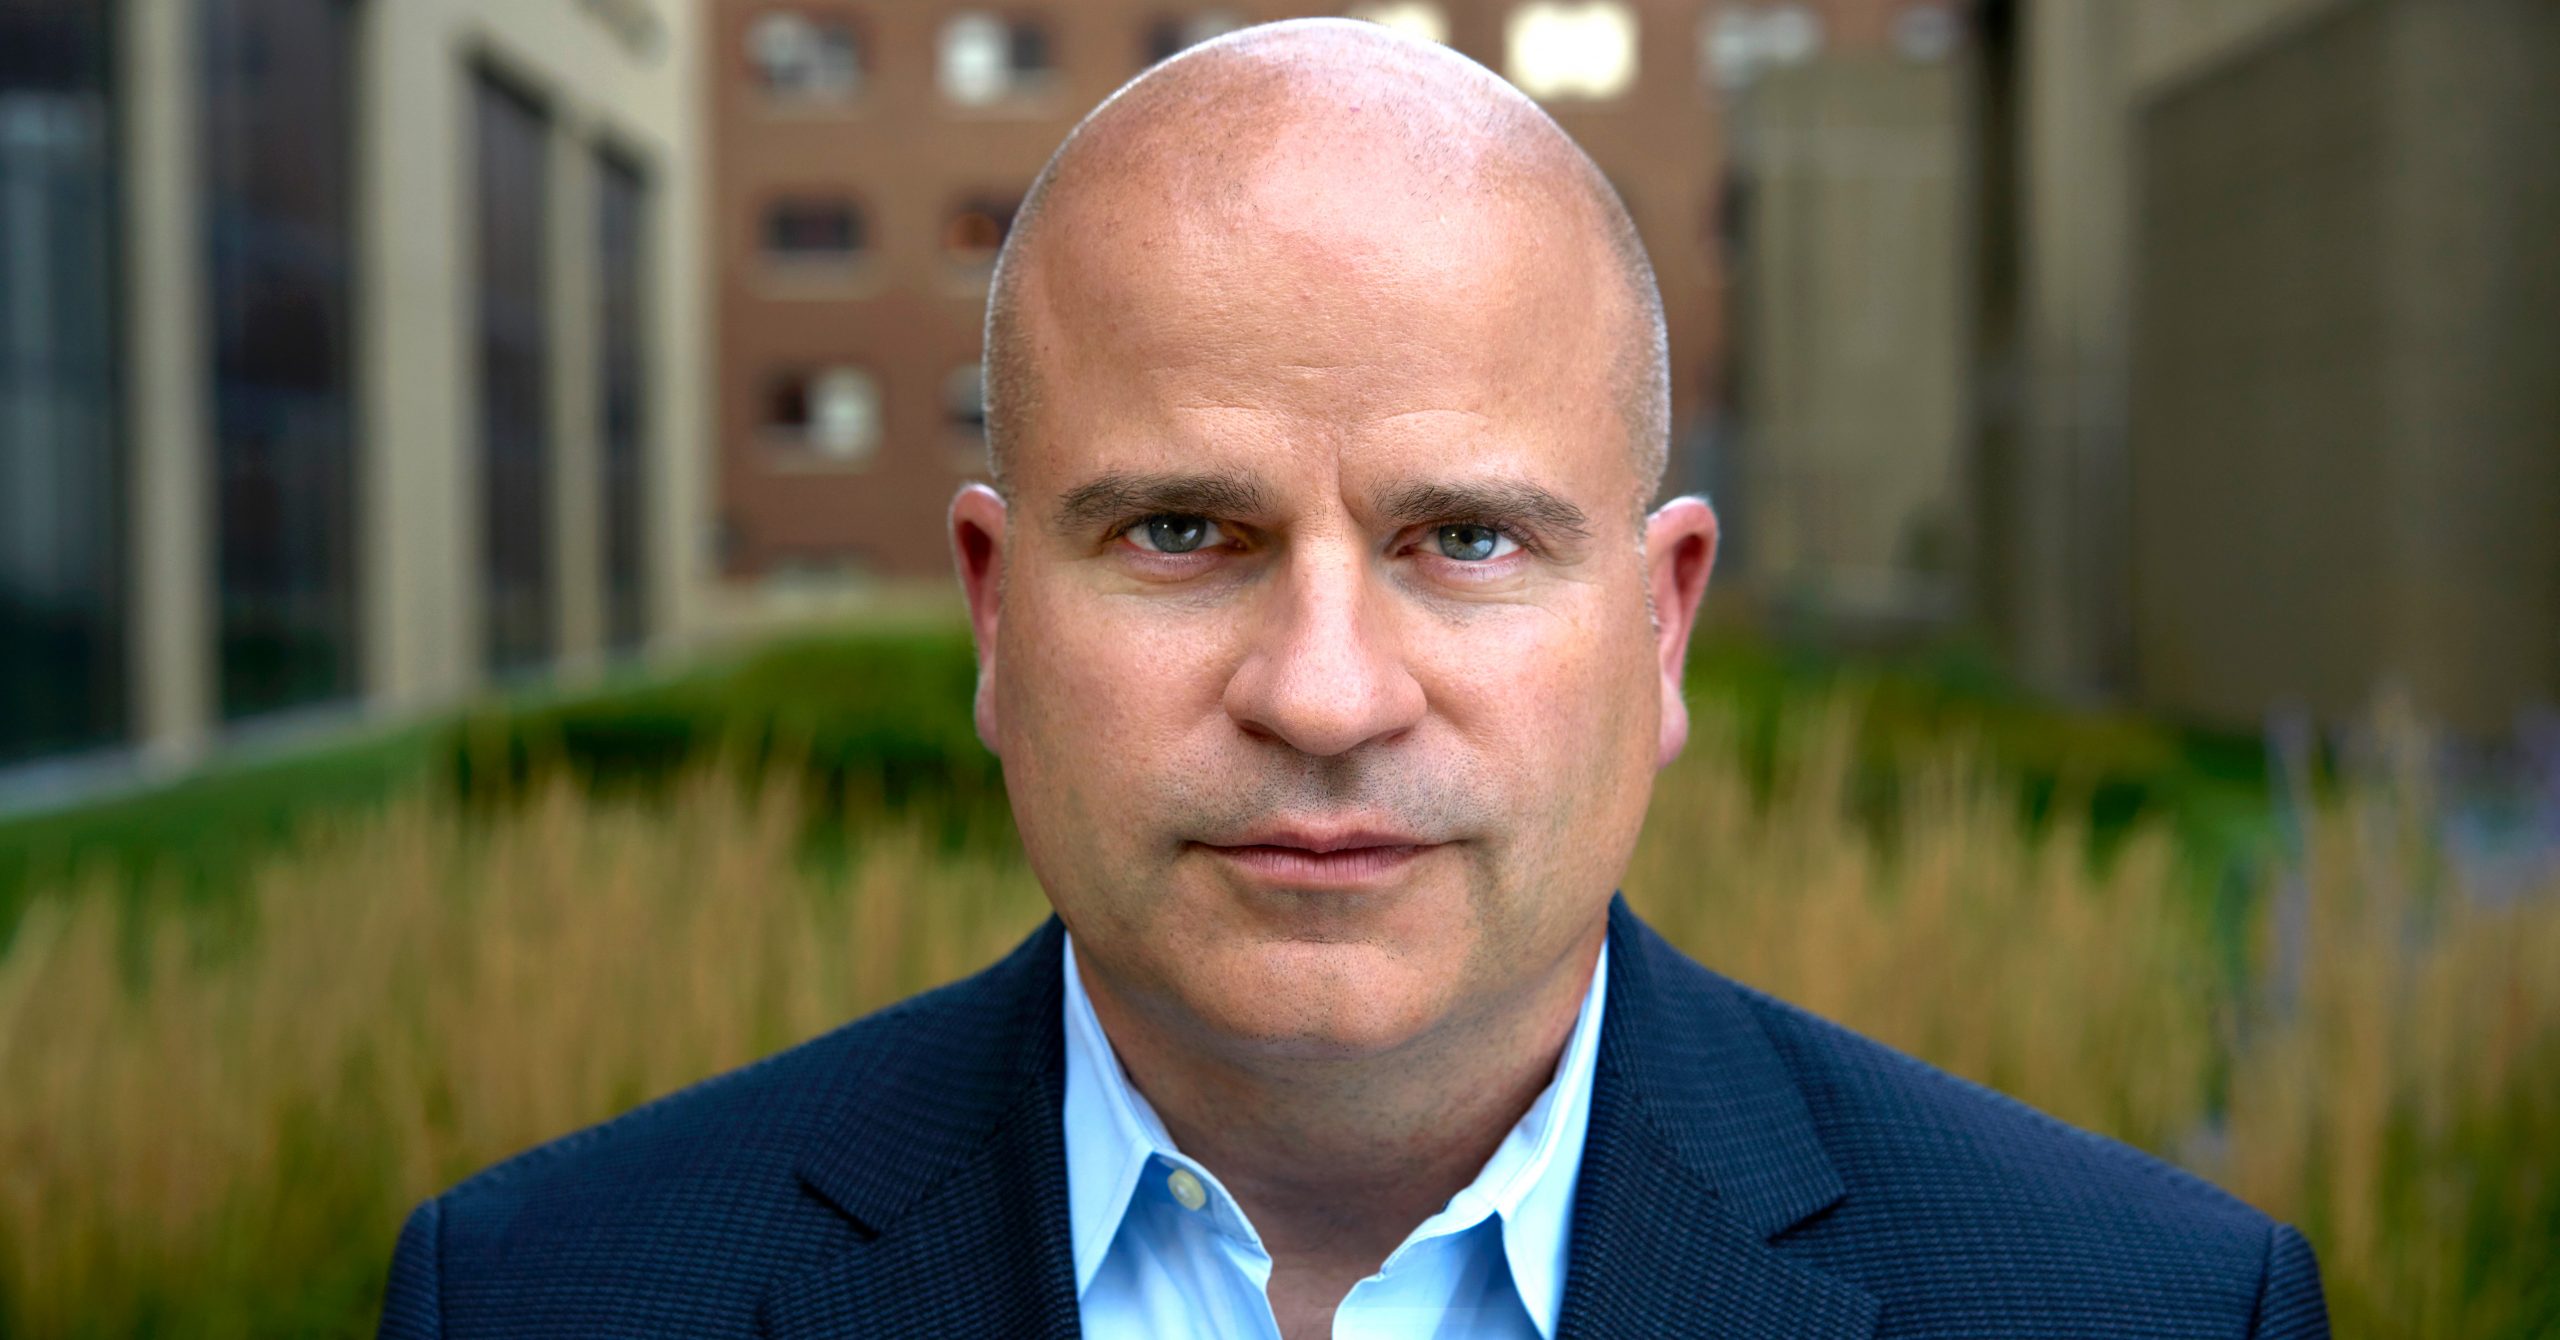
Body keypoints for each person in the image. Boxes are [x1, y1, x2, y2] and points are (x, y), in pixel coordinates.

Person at [378, 20, 2328, 1339]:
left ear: (1656, 628)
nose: (1321, 695)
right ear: (993, 617)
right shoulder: (551, 1294)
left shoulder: (2136, 1307)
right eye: (1181, 534)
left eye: (1461, 539)